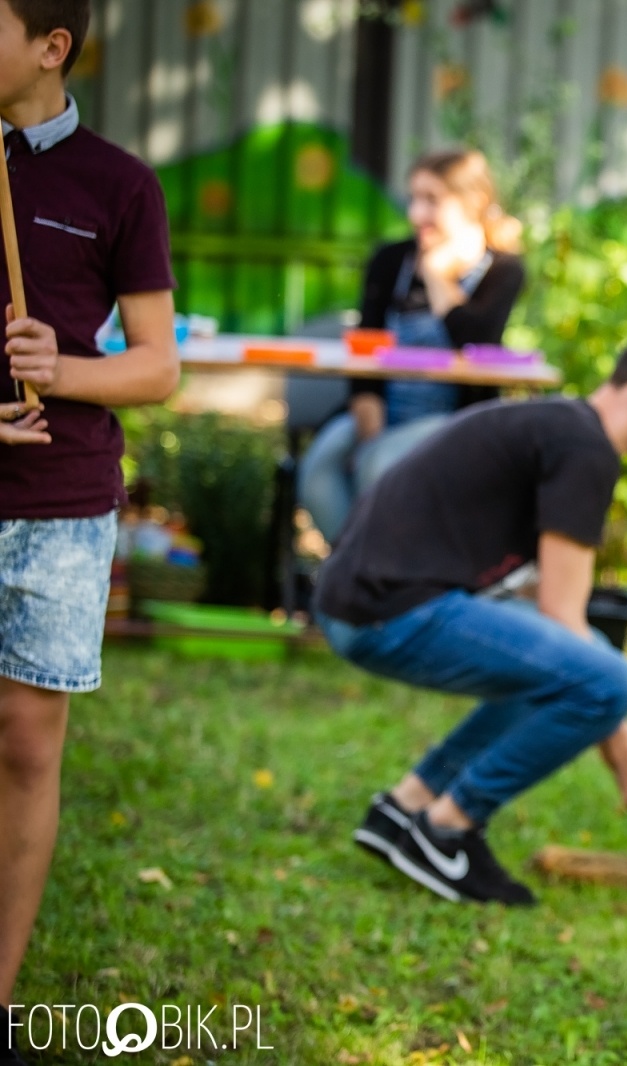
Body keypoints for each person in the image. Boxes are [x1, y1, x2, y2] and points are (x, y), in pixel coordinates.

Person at [314, 323, 627, 906]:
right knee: (607, 678)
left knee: (569, 667)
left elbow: (546, 609)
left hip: (355, 605)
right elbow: (564, 617)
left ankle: (404, 808)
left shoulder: (558, 427)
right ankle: (445, 829)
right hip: (387, 611)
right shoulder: (585, 447)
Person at [0, 2, 179, 1061]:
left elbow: (156, 365)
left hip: (63, 502)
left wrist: (57, 369)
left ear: (49, 45)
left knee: (27, 744)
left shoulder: (118, 183)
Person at [298, 148, 527, 540]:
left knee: (381, 465)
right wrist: (368, 413)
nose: (417, 215)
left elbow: (474, 341)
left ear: (473, 202)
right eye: (414, 199)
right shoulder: (390, 261)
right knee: (318, 470)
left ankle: (373, 582)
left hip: (454, 421)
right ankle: (359, 576)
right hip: (381, 408)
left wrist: (438, 276)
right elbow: (366, 344)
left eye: (432, 201)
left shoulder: (502, 270)